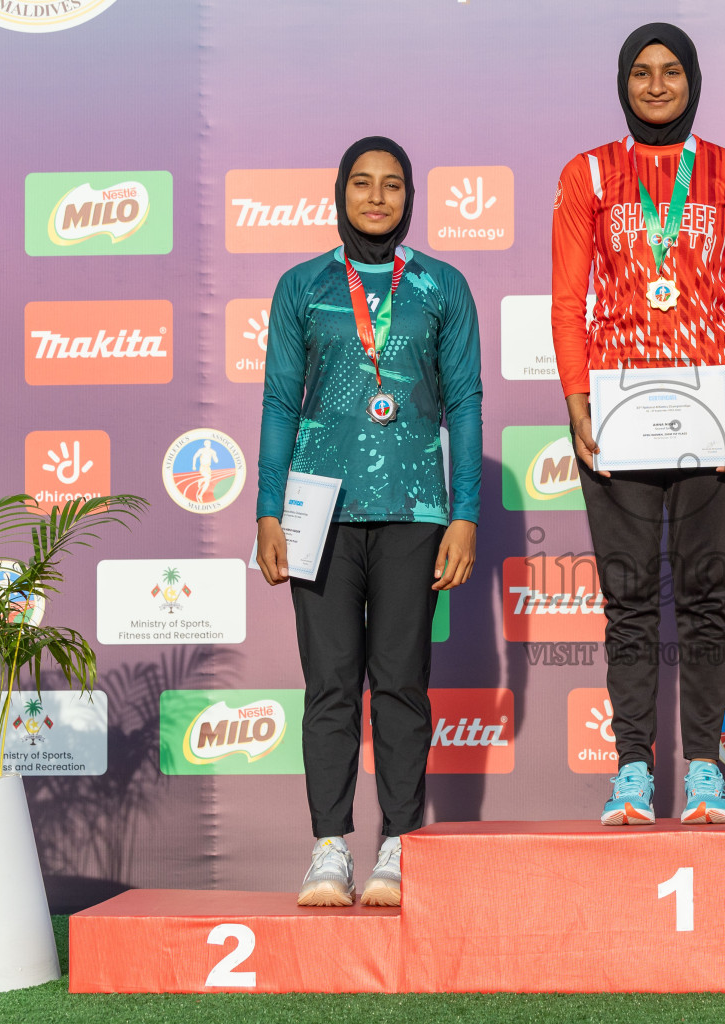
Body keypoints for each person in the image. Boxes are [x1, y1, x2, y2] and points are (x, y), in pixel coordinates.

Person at [550, 23, 725, 826]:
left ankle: (705, 769)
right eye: (639, 72)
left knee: (708, 597)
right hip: (617, 411)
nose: (654, 86)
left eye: (670, 71)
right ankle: (634, 769)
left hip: (713, 412)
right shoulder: (589, 174)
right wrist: (575, 394)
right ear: (622, 82)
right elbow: (568, 297)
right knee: (631, 597)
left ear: (693, 79)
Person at [255, 136, 483, 907]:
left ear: (411, 198)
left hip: (416, 509)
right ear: (339, 193)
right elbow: (282, 402)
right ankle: (329, 846)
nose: (377, 197)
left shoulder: (442, 287)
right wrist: (266, 509)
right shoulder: (302, 285)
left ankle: (398, 842)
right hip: (318, 507)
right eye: (363, 183)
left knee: (401, 685)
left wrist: (466, 514)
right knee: (328, 685)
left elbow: (468, 404)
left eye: (392, 185)